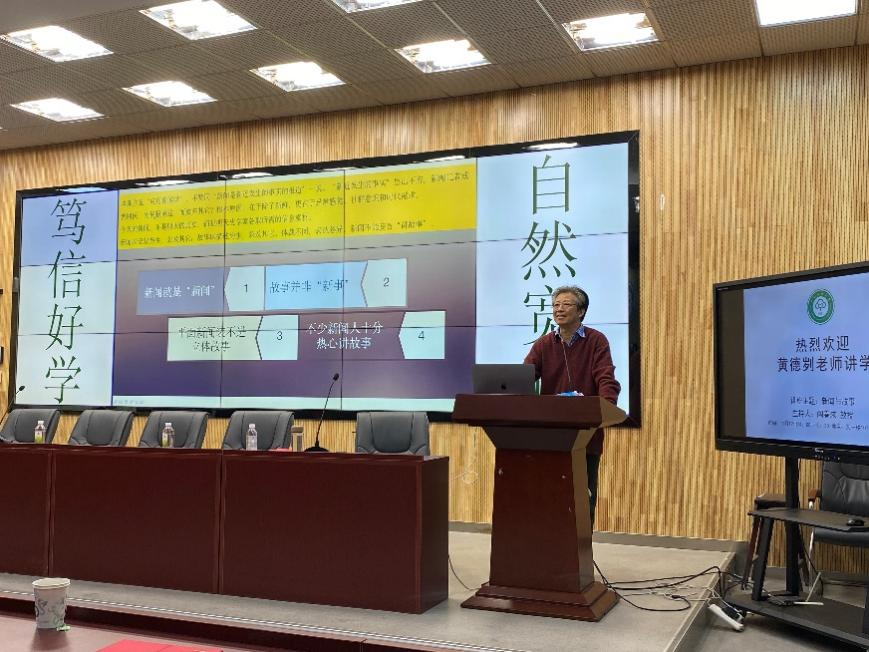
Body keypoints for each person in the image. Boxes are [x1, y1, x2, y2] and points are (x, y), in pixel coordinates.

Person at [523, 285, 620, 528]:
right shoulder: (544, 344)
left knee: (582, 499)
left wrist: (606, 405)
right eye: (556, 305)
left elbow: (606, 377)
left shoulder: (596, 340)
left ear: (581, 311)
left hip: (585, 433)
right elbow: (523, 376)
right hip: (551, 435)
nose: (559, 309)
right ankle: (549, 547)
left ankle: (580, 549)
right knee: (549, 497)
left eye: (566, 304)